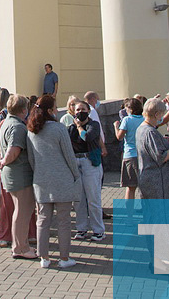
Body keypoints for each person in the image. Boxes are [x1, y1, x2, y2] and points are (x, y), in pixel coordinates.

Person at [26, 95, 79, 269]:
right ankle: (64, 258)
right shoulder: (59, 129)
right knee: (64, 221)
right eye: (55, 107)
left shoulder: (31, 131)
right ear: (50, 110)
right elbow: (69, 155)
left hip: (41, 180)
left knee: (43, 220)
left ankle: (44, 258)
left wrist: (39, 172)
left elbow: (32, 159)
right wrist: (75, 174)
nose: (57, 110)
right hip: (62, 179)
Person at [0, 94, 37, 260]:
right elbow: (13, 150)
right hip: (19, 175)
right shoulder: (18, 127)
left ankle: (20, 245)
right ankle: (20, 247)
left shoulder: (7, 122)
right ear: (23, 110)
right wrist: (4, 161)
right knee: (22, 212)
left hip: (13, 174)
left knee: (19, 211)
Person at [135, 98, 169, 200]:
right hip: (157, 181)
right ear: (157, 114)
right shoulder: (150, 132)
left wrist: (163, 142)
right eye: (162, 113)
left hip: (148, 177)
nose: (163, 116)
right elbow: (161, 157)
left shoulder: (141, 128)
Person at [68, 99, 103, 242]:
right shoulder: (70, 128)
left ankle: (98, 230)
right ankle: (81, 228)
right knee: (79, 199)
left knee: (93, 198)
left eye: (83, 109)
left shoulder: (93, 125)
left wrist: (80, 127)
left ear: (88, 111)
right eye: (77, 110)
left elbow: (87, 137)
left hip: (90, 162)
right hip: (76, 162)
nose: (80, 112)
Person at [115, 97, 145, 201]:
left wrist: (116, 127)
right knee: (143, 187)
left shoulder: (127, 120)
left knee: (130, 188)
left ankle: (129, 214)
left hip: (130, 155)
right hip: (143, 155)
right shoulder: (144, 119)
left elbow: (120, 137)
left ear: (130, 109)